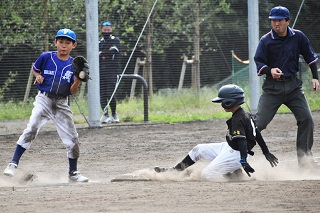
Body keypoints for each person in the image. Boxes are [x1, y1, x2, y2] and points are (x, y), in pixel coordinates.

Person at [3, 29, 89, 182]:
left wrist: (76, 81)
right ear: (55, 42)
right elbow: (35, 69)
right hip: (44, 100)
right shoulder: (46, 57)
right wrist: (38, 76)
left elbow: (72, 91)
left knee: (73, 139)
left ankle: (73, 173)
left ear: (73, 45)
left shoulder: (74, 65)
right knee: (32, 128)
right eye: (61, 41)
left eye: (67, 42)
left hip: (62, 103)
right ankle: (13, 164)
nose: (63, 45)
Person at [154, 84, 278, 180]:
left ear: (230, 102)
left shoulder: (238, 119)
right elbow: (257, 132)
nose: (221, 104)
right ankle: (175, 171)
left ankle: (235, 175)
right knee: (198, 149)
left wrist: (243, 162)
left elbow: (242, 141)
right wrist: (266, 152)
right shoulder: (244, 114)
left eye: (223, 101)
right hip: (230, 148)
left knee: (207, 175)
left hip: (237, 154)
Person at [254, 6, 319, 169]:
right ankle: (235, 156)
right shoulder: (266, 40)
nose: (276, 23)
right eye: (273, 20)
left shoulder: (298, 37)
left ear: (287, 22)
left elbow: (310, 57)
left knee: (307, 119)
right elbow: (259, 61)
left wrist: (315, 77)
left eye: (279, 20)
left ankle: (305, 160)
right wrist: (270, 70)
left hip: (293, 88)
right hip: (272, 89)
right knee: (257, 125)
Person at [99, 21, 121, 123]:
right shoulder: (99, 42)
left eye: (108, 30)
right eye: (105, 29)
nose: (106, 31)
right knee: (102, 94)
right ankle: (106, 115)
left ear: (111, 30)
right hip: (101, 72)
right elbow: (96, 54)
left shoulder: (115, 40)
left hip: (112, 71)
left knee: (110, 93)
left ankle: (114, 114)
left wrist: (102, 53)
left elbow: (114, 51)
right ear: (101, 30)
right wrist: (106, 54)